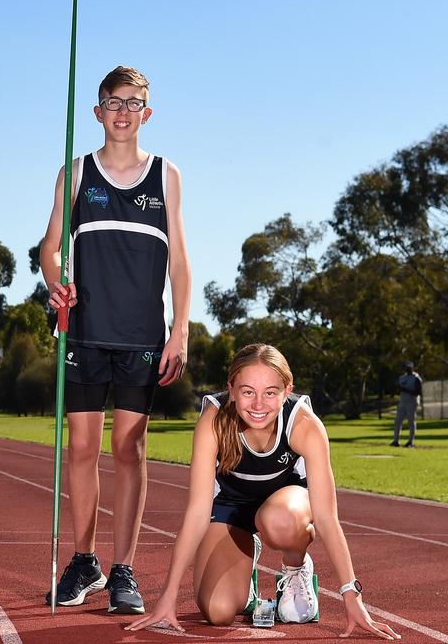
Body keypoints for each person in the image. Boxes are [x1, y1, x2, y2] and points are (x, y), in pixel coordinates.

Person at [38, 66, 192, 614]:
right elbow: (50, 247)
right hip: (84, 331)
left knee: (129, 450)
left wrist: (180, 327)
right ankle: (84, 561)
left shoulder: (166, 175)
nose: (123, 112)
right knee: (81, 449)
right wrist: (56, 283)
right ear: (98, 110)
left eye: (134, 103)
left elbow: (178, 259)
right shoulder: (75, 174)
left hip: (141, 338)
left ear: (146, 114)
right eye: (113, 102)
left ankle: (123, 568)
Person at [126, 344, 400, 639]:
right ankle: (245, 566)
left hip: (286, 507)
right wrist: (168, 597)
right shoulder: (213, 421)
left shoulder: (305, 424)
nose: (258, 404)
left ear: (287, 390)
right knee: (217, 612)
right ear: (231, 390)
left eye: (270, 392)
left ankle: (295, 569)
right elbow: (196, 512)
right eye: (247, 392)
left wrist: (352, 595)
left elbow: (325, 516)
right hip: (231, 508)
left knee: (278, 520)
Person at [393, 362, 421, 448]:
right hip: (402, 401)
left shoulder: (416, 378)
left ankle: (411, 441)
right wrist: (397, 388)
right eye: (406, 368)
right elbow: (398, 389)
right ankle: (396, 440)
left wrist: (405, 389)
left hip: (412, 401)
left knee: (411, 421)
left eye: (409, 368)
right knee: (398, 421)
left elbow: (417, 392)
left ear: (412, 368)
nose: (408, 369)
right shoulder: (402, 377)